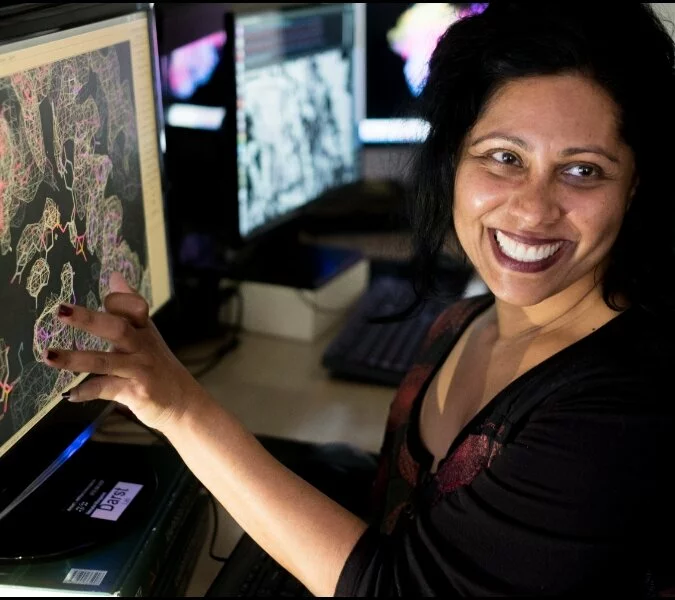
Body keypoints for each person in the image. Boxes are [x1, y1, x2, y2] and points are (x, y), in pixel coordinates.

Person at [43, 2, 675, 596]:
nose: (533, 208)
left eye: (583, 170)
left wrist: (180, 407)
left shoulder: (621, 406)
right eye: (504, 157)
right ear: (452, 160)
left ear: (635, 186)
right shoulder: (466, 319)